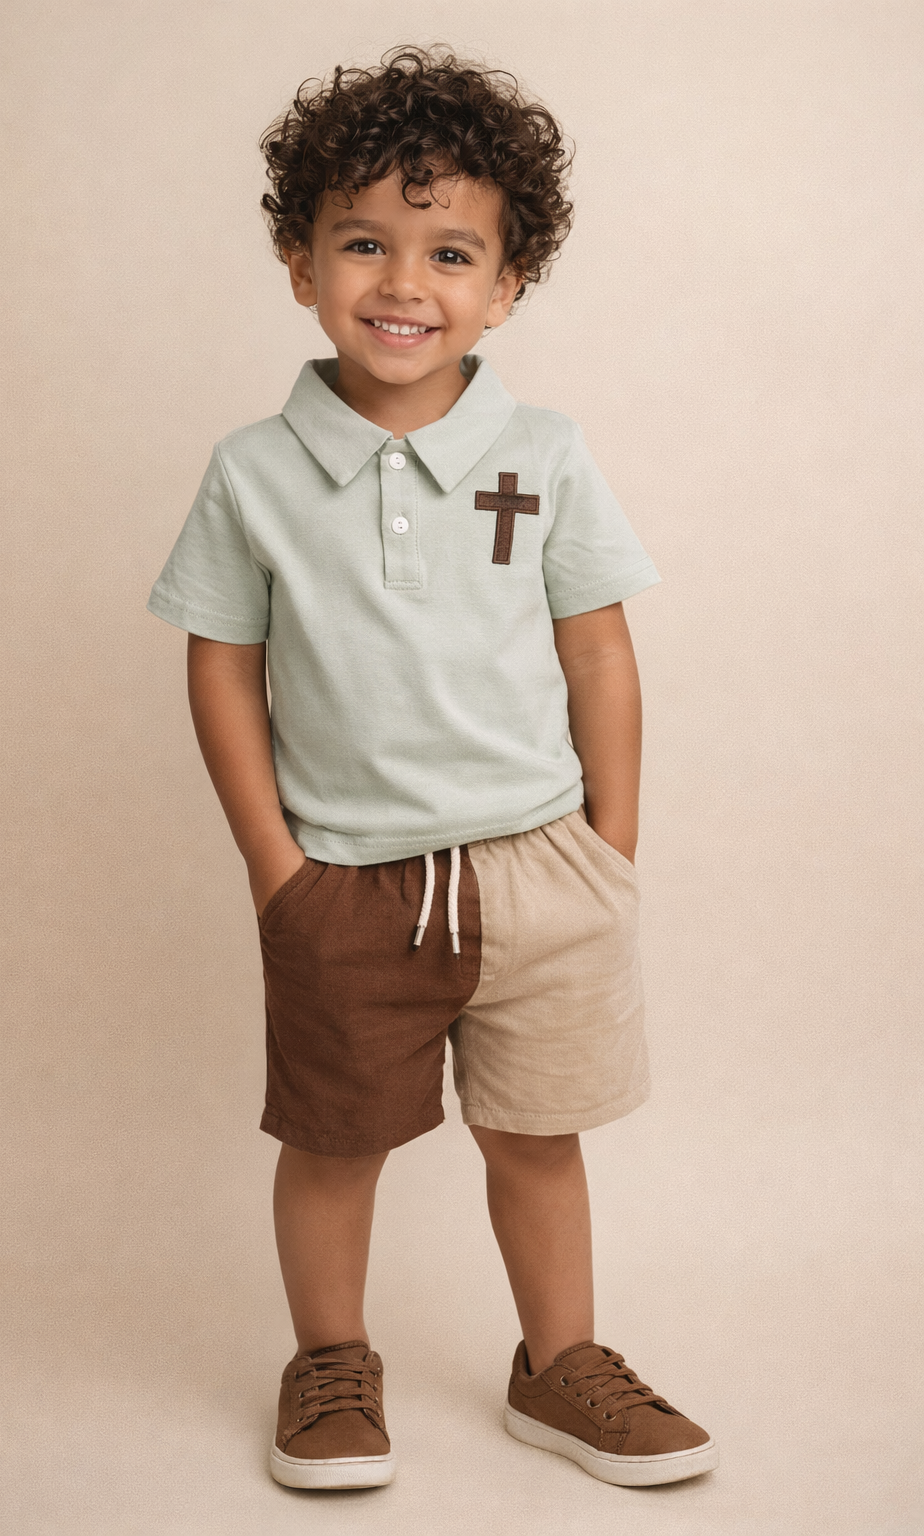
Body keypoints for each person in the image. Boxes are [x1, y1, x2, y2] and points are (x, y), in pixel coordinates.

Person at [147, 45, 717, 1493]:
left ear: (507, 285)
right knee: (336, 1145)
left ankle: (560, 1364)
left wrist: (609, 852)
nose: (405, 282)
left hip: (542, 871)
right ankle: (332, 1362)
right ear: (301, 265)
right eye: (364, 244)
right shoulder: (254, 472)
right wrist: (277, 871)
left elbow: (600, 653)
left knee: (538, 1140)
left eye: (451, 252)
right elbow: (220, 665)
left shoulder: (546, 454)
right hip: (345, 880)